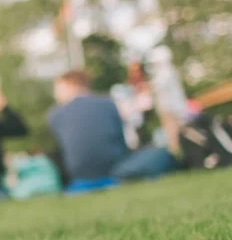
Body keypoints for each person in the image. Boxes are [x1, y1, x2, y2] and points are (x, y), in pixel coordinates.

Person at [49, 70, 177, 191]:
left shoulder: (54, 115)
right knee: (160, 153)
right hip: (115, 171)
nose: (55, 94)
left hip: (79, 178)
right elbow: (120, 141)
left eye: (57, 89)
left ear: (70, 85)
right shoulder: (109, 103)